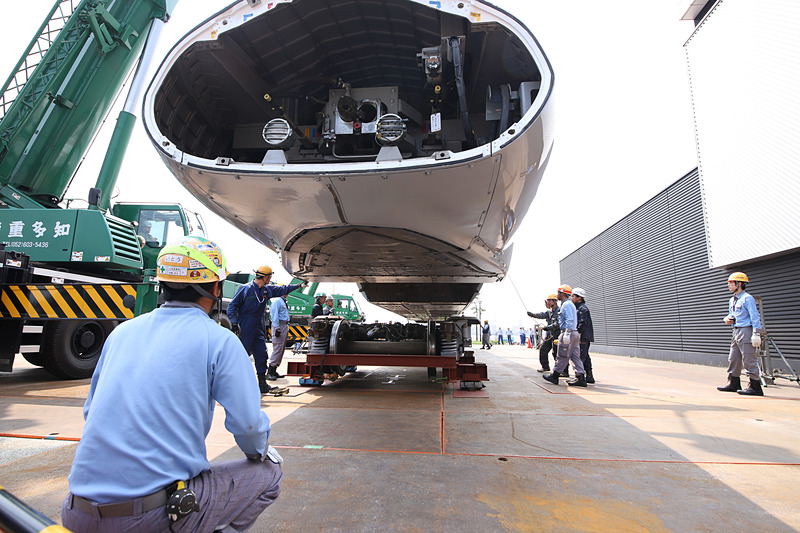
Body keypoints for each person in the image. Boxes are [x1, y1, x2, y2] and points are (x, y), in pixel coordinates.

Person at [61, 236, 283, 533]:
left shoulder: (122, 333)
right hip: (146, 517)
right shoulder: (218, 340)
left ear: (162, 283)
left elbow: (91, 412)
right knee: (270, 475)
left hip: (76, 510)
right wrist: (259, 452)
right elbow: (248, 427)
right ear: (216, 288)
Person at [228, 265, 304, 392]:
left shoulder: (265, 290)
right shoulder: (245, 289)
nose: (270, 279)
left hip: (259, 328)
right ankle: (231, 384)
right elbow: (232, 307)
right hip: (246, 327)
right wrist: (234, 323)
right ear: (264, 277)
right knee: (241, 355)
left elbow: (281, 289)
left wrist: (298, 286)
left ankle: (262, 384)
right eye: (269, 277)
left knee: (261, 354)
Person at [717, 272, 763, 396]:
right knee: (733, 359)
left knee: (749, 359)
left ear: (740, 284)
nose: (729, 285)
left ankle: (755, 387)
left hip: (746, 331)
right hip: (736, 331)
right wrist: (727, 319)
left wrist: (756, 333)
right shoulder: (732, 300)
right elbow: (733, 315)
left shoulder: (747, 298)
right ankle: (734, 383)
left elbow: (755, 316)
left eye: (731, 283)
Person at [543, 285, 586, 386]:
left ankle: (555, 376)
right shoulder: (570, 304)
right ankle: (581, 377)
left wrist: (567, 332)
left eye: (558, 293)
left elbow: (569, 319)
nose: (557, 295)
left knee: (562, 354)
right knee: (575, 356)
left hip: (568, 332)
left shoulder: (566, 305)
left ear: (562, 294)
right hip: (574, 333)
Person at [527, 294, 560, 372]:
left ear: (555, 301)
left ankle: (561, 370)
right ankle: (545, 367)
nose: (547, 302)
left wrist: (547, 328)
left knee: (556, 353)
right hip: (549, 334)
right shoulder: (549, 312)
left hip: (557, 335)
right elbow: (541, 315)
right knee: (543, 349)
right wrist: (532, 315)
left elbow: (558, 324)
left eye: (549, 301)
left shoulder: (559, 311)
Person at [573, 287, 595, 383]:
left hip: (583, 336)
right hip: (584, 336)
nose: (572, 298)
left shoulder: (582, 308)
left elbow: (582, 323)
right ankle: (589, 377)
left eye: (573, 296)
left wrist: (577, 334)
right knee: (585, 356)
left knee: (580, 356)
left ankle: (580, 377)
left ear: (579, 298)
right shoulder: (578, 308)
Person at [268, 293, 291, 381]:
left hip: (284, 325)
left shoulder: (283, 301)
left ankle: (274, 369)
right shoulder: (277, 301)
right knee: (277, 347)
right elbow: (274, 315)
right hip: (279, 325)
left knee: (281, 348)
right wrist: (277, 327)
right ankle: (270, 371)